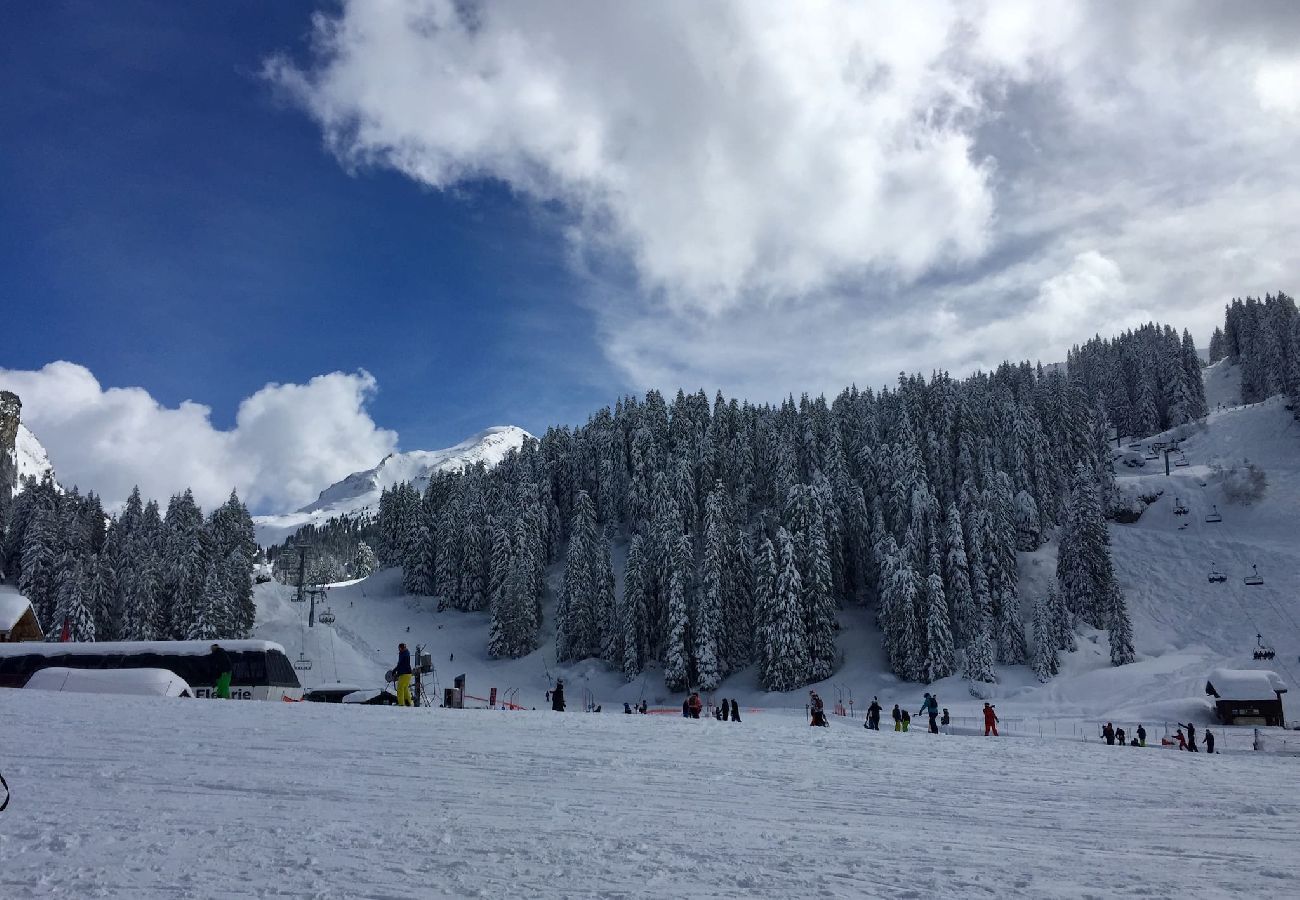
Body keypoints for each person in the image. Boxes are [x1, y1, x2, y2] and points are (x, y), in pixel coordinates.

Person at [394, 643, 413, 707]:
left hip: (404, 673)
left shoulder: (403, 654)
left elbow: (401, 664)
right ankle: (408, 702)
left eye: (399, 648)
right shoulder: (406, 653)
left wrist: (395, 670)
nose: (399, 649)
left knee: (400, 688)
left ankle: (401, 703)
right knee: (405, 688)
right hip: (408, 673)